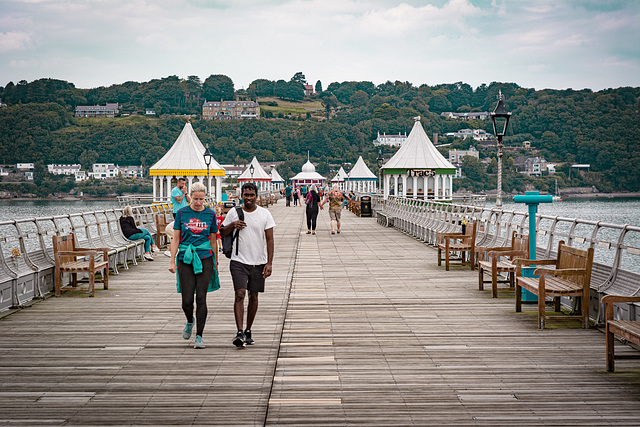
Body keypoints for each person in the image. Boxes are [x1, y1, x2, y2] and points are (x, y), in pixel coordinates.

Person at [219, 182, 275, 348]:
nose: (248, 198)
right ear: (241, 195)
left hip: (258, 261)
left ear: (256, 196)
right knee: (240, 293)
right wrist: (232, 225)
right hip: (238, 260)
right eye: (246, 195)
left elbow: (270, 239)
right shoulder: (234, 213)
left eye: (251, 195)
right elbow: (221, 232)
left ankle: (248, 329)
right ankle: (239, 331)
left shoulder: (265, 214)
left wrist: (269, 263)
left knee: (254, 295)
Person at [168, 182, 220, 349]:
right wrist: (172, 261)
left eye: (201, 199)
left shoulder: (210, 215)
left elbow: (213, 240)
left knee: (201, 298)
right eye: (196, 199)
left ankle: (199, 336)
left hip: (205, 257)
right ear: (190, 197)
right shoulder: (182, 214)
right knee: (187, 300)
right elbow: (176, 239)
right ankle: (190, 320)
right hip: (185, 258)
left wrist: (216, 263)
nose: (198, 202)